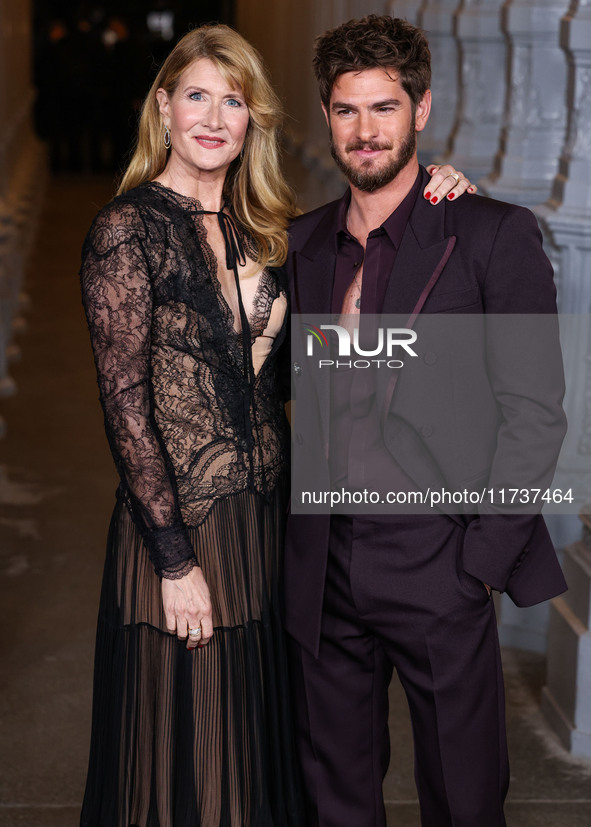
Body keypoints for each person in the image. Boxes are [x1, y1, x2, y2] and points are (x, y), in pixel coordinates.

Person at [79, 20, 471, 827]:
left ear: (253, 116)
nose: (214, 116)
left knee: (260, 749)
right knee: (188, 759)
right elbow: (124, 404)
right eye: (196, 95)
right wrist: (174, 558)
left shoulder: (271, 232)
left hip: (271, 529)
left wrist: (437, 192)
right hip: (182, 530)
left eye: (234, 99)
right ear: (163, 106)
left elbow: (309, 368)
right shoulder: (127, 230)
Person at [284, 15, 568, 827]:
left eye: (383, 107)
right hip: (325, 564)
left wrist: (478, 557)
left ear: (420, 109)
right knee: (333, 796)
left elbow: (532, 412)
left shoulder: (487, 233)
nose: (364, 131)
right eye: (346, 110)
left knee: (464, 797)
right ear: (328, 116)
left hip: (438, 556)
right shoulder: (305, 245)